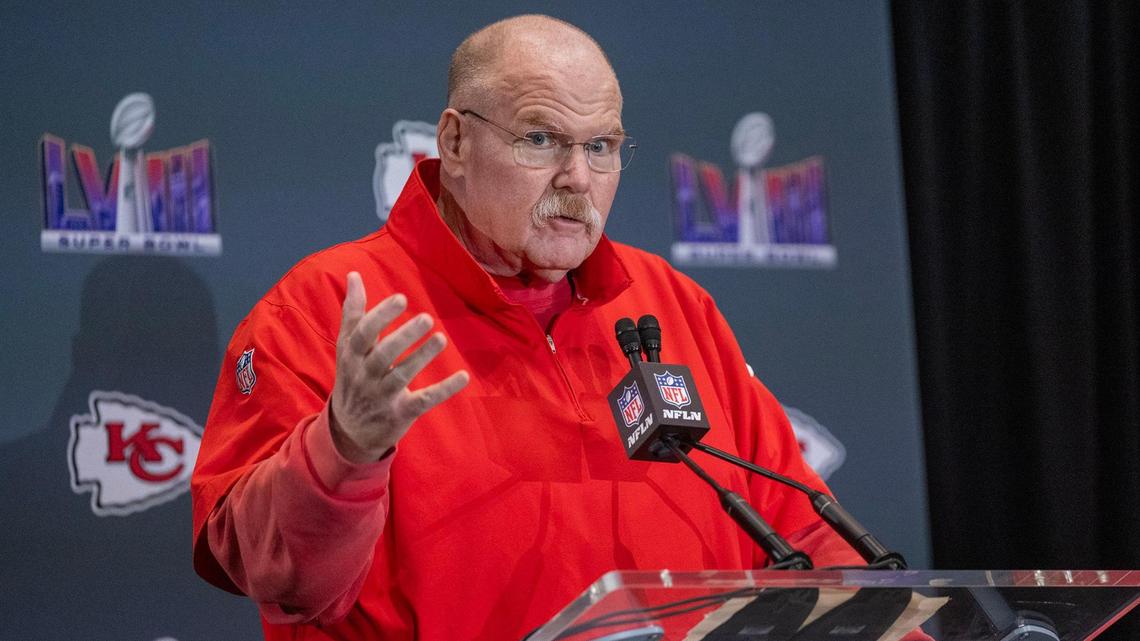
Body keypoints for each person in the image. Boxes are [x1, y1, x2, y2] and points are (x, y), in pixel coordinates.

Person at [191, 14, 861, 641]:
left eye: (601, 146)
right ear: (455, 142)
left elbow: (801, 527)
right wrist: (342, 448)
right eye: (541, 139)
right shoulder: (325, 308)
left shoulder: (672, 304)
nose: (579, 178)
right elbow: (266, 567)